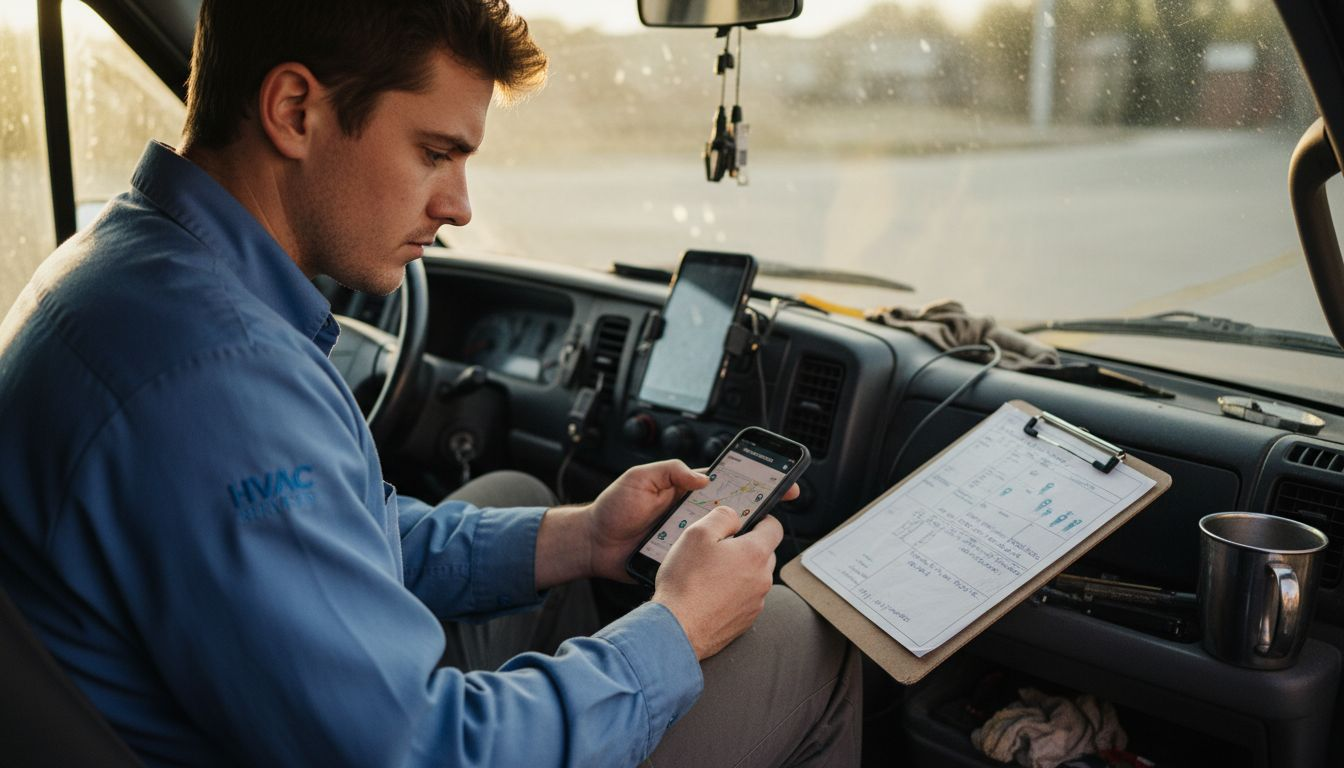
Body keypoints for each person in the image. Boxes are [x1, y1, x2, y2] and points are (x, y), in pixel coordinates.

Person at [0, 1, 861, 766]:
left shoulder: (126, 264)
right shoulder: (217, 380)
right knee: (805, 639)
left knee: (526, 498)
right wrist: (676, 629)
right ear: (295, 111)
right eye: (435, 152)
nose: (460, 206)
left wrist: (586, 537)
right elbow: (424, 749)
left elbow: (344, 532)